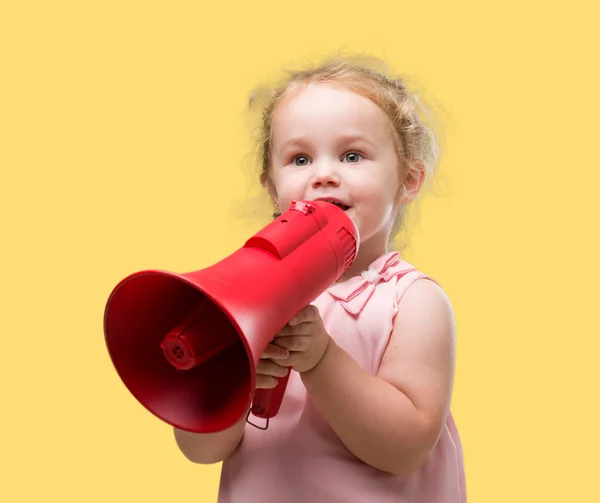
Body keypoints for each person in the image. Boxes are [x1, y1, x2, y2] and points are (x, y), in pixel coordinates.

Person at [174, 55, 466, 503]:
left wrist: (322, 359)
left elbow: (405, 450)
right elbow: (201, 449)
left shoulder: (412, 301)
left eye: (352, 155)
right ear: (272, 186)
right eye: (299, 158)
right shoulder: (249, 294)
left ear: (407, 180)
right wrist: (238, 379)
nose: (323, 174)